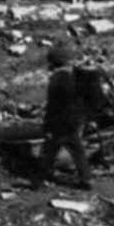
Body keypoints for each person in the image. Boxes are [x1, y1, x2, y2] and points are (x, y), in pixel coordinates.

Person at [38, 42, 92, 189]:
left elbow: (53, 105)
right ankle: (85, 178)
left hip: (60, 122)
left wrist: (47, 122)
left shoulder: (57, 79)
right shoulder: (76, 75)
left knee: (51, 147)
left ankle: (44, 176)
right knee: (77, 150)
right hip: (75, 119)